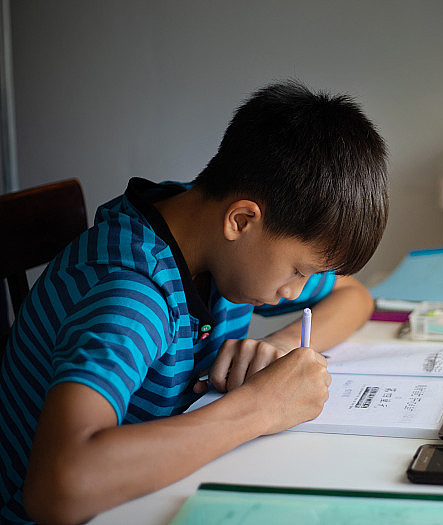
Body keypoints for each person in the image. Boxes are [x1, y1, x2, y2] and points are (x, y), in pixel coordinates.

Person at [0, 80, 389, 524]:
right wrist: (260, 408)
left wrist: (279, 347)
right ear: (241, 221)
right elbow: (58, 488)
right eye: (299, 271)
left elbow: (353, 295)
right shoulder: (132, 294)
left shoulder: (206, 227)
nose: (296, 292)